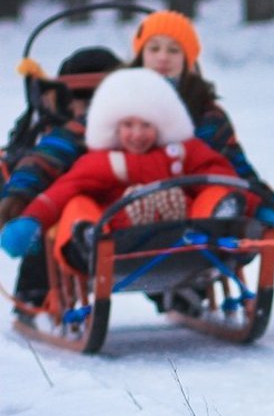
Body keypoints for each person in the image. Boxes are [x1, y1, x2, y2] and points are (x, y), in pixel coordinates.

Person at [0, 68, 252, 276]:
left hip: (187, 232)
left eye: (146, 125)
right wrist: (32, 220)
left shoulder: (183, 151)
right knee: (77, 202)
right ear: (113, 128)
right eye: (128, 125)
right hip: (118, 239)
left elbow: (221, 172)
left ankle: (222, 219)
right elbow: (64, 190)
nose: (137, 134)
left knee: (216, 188)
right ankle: (85, 237)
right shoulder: (102, 161)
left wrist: (259, 206)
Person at [127, 10, 274, 254]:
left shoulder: (207, 115)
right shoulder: (117, 102)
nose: (163, 57)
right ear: (141, 56)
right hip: (134, 207)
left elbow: (236, 167)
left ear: (188, 60)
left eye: (174, 50)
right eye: (154, 49)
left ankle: (263, 219)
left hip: (201, 202)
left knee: (224, 192)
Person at [0, 47, 122, 312]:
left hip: (128, 209)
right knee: (46, 223)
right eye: (81, 97)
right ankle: (35, 292)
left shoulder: (141, 125)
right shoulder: (71, 133)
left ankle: (181, 288)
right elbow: (41, 161)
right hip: (75, 216)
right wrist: (17, 195)